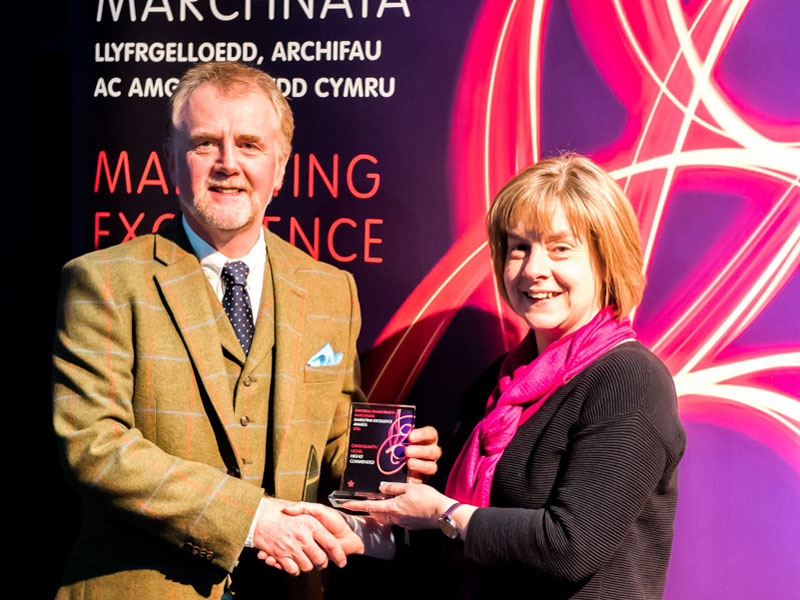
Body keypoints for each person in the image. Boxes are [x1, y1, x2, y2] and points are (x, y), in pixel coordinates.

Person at [52, 61, 439, 600]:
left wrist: (381, 467)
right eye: (205, 143)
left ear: (280, 167)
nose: (227, 164)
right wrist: (250, 518)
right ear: (171, 160)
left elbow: (329, 439)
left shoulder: (331, 290)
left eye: (250, 145)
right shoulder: (104, 281)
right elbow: (95, 444)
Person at [327, 154, 686, 599]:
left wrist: (444, 511)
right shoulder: (496, 387)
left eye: (560, 248)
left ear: (606, 260)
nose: (534, 268)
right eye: (519, 247)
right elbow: (457, 545)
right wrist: (366, 536)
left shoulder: (629, 380)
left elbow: (570, 545)